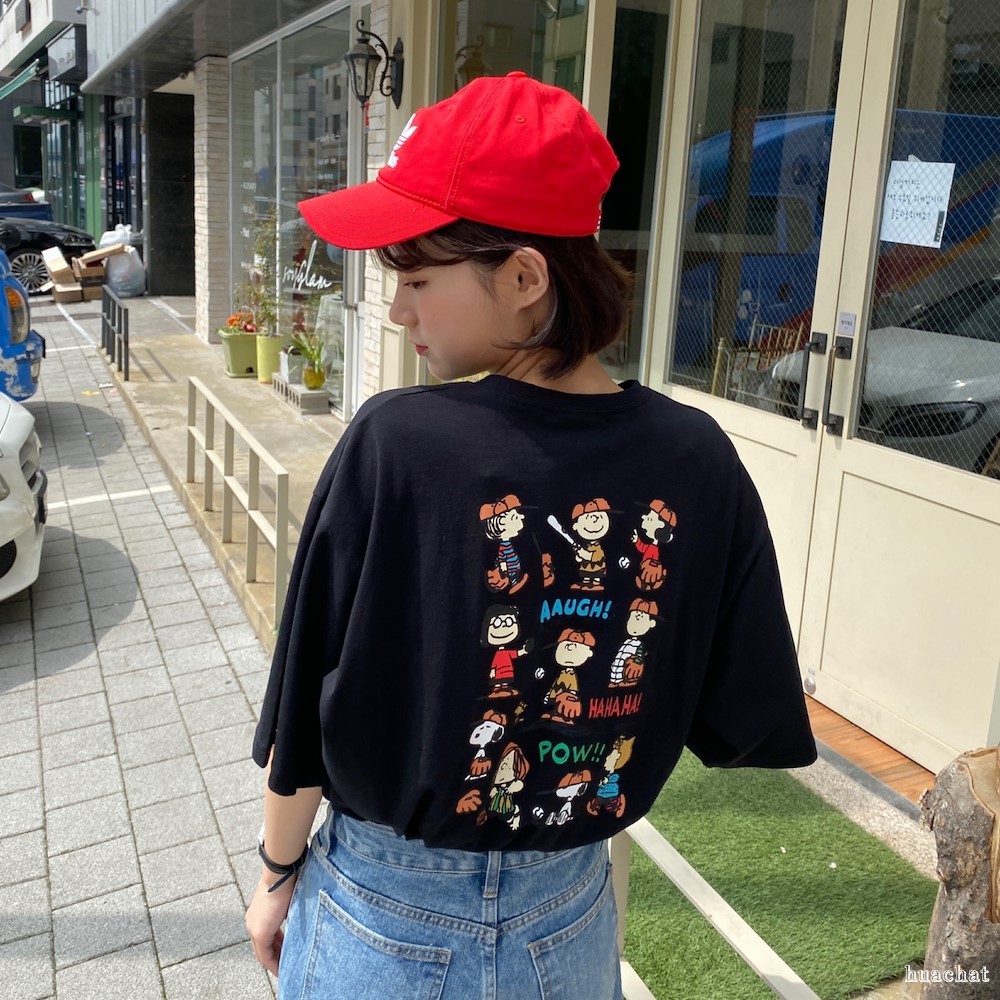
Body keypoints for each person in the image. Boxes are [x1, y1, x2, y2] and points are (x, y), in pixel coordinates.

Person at [246, 71, 816, 1000]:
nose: (398, 311)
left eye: (417, 279)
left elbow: (305, 712)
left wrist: (276, 875)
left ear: (522, 277)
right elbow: (740, 703)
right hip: (572, 920)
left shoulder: (399, 442)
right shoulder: (696, 456)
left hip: (384, 917)